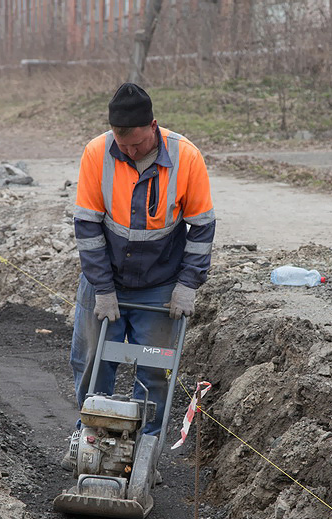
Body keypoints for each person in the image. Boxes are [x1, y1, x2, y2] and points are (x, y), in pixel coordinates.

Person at [64, 82, 216, 468]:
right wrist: (101, 288)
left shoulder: (186, 157)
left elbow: (201, 228)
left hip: (161, 283)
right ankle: (90, 437)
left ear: (153, 126)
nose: (129, 152)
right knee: (92, 360)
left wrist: (187, 285)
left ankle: (144, 454)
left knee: (155, 370)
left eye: (135, 144)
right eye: (122, 144)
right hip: (107, 279)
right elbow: (87, 228)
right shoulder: (97, 153)